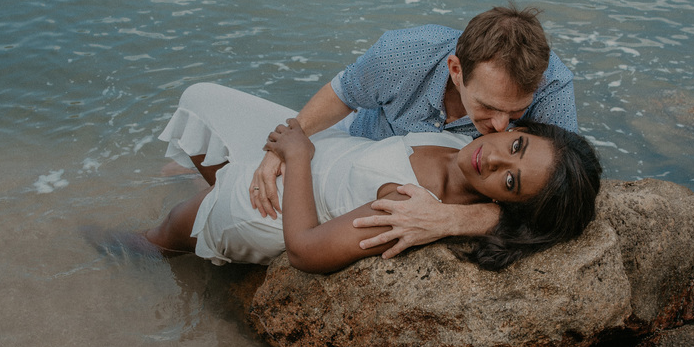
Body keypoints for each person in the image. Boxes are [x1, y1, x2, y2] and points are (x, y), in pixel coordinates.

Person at [143, 83, 601, 274]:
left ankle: (126, 251)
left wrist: (297, 157)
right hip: (319, 152)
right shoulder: (461, 140)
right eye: (517, 146)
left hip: (278, 205)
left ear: (506, 204)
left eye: (510, 182)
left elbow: (305, 251)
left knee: (163, 234)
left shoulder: (410, 207)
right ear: (518, 128)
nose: (495, 160)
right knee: (199, 99)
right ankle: (216, 185)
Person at [247, 5, 578, 257]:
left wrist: (449, 220)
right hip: (355, 147)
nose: (501, 126)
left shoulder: (550, 88)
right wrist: (284, 143)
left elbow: (559, 203)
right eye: (487, 106)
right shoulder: (404, 52)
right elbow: (345, 93)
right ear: (456, 70)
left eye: (516, 112)